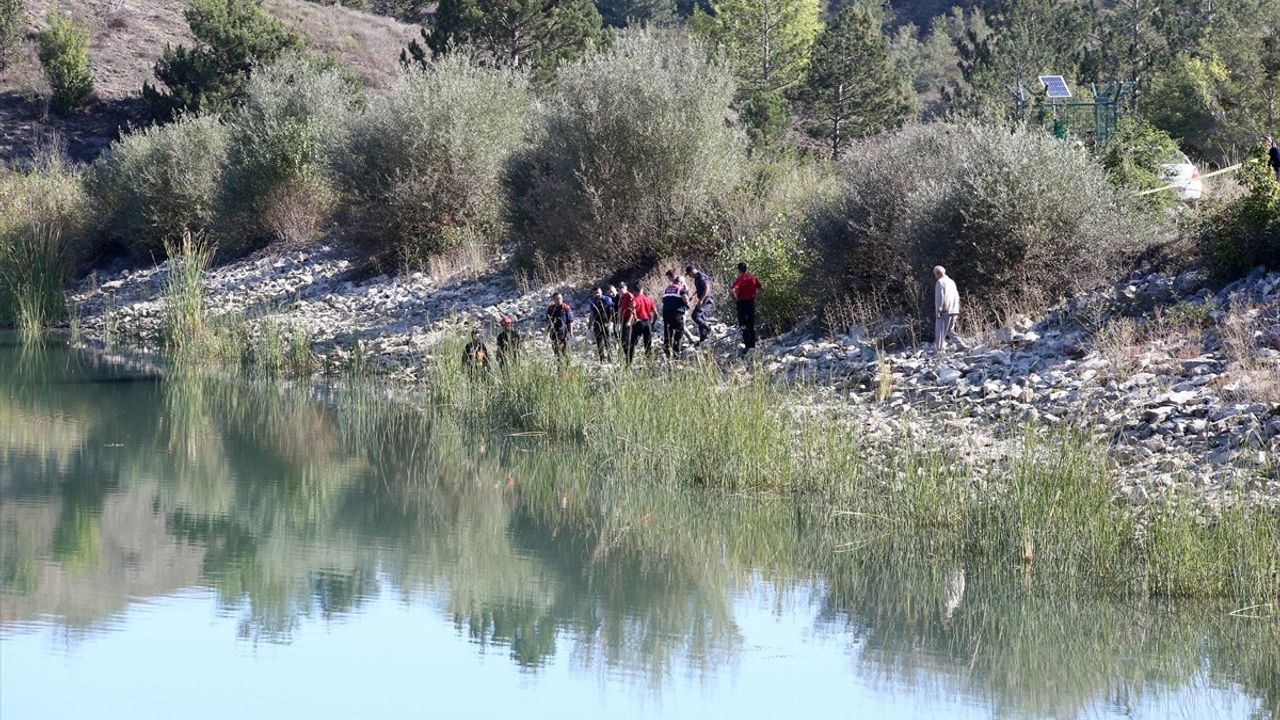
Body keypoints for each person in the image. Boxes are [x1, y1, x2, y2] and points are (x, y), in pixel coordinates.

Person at [933, 265, 969, 353]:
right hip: (954, 310)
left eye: (935, 274)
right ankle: (961, 345)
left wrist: (938, 310)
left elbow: (939, 297)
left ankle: (939, 350)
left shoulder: (940, 282)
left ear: (938, 273)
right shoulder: (951, 282)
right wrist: (957, 308)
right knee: (950, 329)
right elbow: (956, 296)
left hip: (945, 311)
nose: (935, 276)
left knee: (939, 330)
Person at [731, 262, 763, 355]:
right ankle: (752, 344)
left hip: (742, 303)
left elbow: (733, 291)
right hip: (751, 302)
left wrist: (735, 299)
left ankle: (747, 345)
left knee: (743, 324)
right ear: (746, 269)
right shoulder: (752, 278)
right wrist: (757, 298)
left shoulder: (739, 280)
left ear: (739, 270)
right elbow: (761, 289)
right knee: (751, 323)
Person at [661, 269, 689, 358]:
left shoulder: (667, 288)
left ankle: (667, 353)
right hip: (676, 314)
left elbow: (663, 300)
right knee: (679, 332)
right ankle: (676, 354)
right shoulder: (680, 289)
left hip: (666, 313)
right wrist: (687, 302)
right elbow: (685, 299)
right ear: (680, 282)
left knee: (668, 333)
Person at [684, 263, 713, 346]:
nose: (689, 276)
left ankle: (708, 328)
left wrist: (701, 300)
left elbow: (707, 288)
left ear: (691, 272)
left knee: (695, 316)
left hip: (706, 300)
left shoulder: (701, 277)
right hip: (703, 299)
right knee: (701, 318)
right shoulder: (697, 278)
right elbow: (699, 289)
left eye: (689, 274)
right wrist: (692, 296)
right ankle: (703, 338)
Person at [627, 284, 656, 364]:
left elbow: (632, 307)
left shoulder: (635, 299)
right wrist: (653, 323)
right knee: (647, 344)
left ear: (635, 291)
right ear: (642, 290)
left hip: (639, 323)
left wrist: (635, 317)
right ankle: (648, 362)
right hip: (647, 323)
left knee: (632, 344)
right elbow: (655, 313)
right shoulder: (649, 299)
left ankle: (629, 362)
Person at [587, 287, 614, 362]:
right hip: (597, 324)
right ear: (593, 294)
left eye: (598, 292)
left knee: (607, 341)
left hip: (606, 323)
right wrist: (589, 327)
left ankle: (610, 358)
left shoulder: (607, 299)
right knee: (599, 342)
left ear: (601, 291)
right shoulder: (593, 302)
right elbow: (591, 315)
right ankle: (601, 359)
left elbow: (611, 312)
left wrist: (609, 322)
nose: (597, 294)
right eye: (595, 293)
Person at [545, 292, 573, 362]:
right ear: (553, 300)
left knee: (566, 354)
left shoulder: (566, 307)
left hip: (564, 334)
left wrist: (571, 333)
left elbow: (570, 321)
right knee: (557, 354)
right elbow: (548, 321)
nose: (559, 300)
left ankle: (568, 369)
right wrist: (547, 333)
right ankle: (559, 370)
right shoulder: (550, 309)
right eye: (557, 299)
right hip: (554, 335)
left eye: (560, 298)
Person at [617, 282, 635, 357]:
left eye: (622, 288)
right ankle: (626, 355)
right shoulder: (622, 297)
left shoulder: (629, 295)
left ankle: (629, 356)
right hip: (623, 319)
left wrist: (629, 321)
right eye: (620, 288)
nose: (621, 289)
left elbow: (632, 309)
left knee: (626, 339)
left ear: (626, 288)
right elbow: (621, 308)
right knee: (622, 339)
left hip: (628, 319)